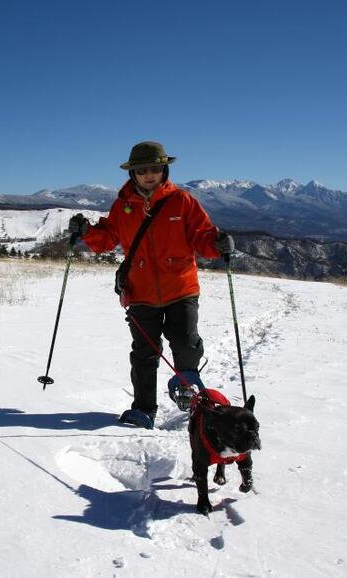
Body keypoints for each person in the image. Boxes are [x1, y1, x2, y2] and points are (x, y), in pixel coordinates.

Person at [68, 141, 234, 429]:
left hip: (181, 287)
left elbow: (202, 236)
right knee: (144, 352)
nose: (148, 175)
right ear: (132, 173)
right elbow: (107, 238)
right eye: (142, 170)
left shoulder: (182, 201)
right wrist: (87, 232)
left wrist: (218, 245)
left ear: (164, 169)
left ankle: (186, 385)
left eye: (154, 169)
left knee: (185, 341)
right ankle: (144, 410)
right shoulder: (123, 206)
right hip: (140, 291)